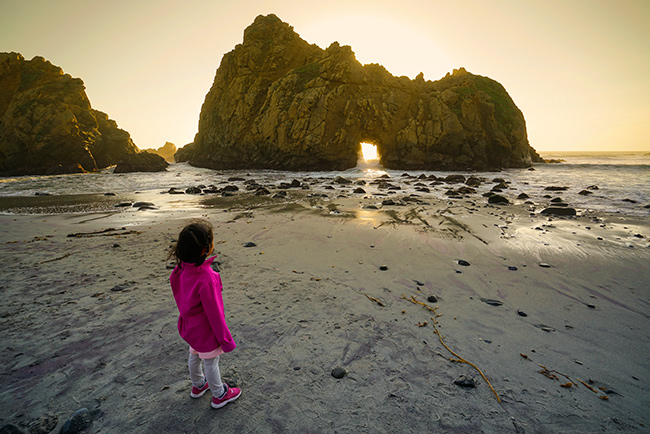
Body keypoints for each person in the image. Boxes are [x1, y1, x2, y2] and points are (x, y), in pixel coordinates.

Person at [169, 221, 241, 409]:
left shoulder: (180, 269)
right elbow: (215, 314)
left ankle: (198, 385)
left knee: (194, 354)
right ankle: (219, 394)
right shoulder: (207, 278)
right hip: (205, 330)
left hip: (189, 326)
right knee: (210, 361)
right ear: (205, 249)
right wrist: (225, 340)